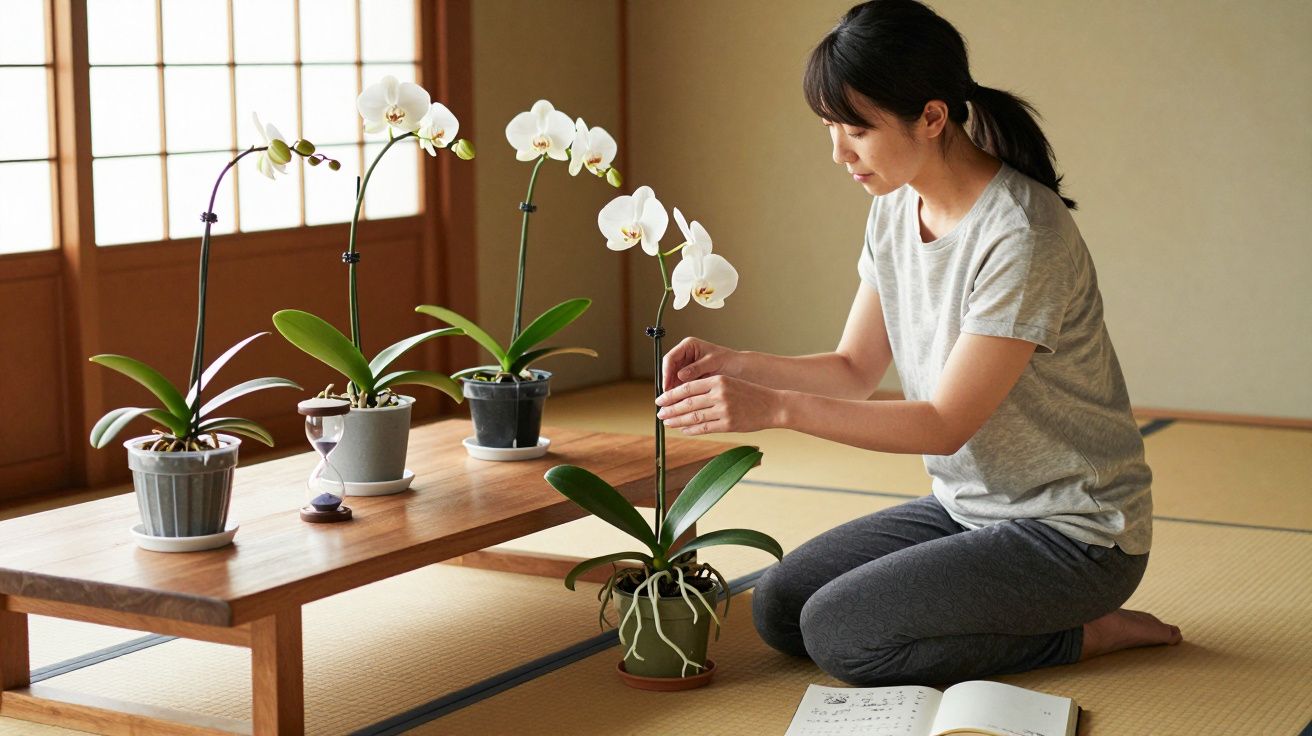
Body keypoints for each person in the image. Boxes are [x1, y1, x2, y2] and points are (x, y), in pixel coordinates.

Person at [653, 0, 1182, 687]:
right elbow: (853, 369)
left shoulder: (1020, 235)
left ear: (932, 117)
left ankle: (1082, 633)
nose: (839, 154)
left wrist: (774, 409)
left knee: (842, 637)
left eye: (856, 131)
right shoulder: (895, 206)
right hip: (971, 510)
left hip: (1076, 534)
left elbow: (944, 424)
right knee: (781, 610)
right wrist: (736, 363)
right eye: (828, 128)